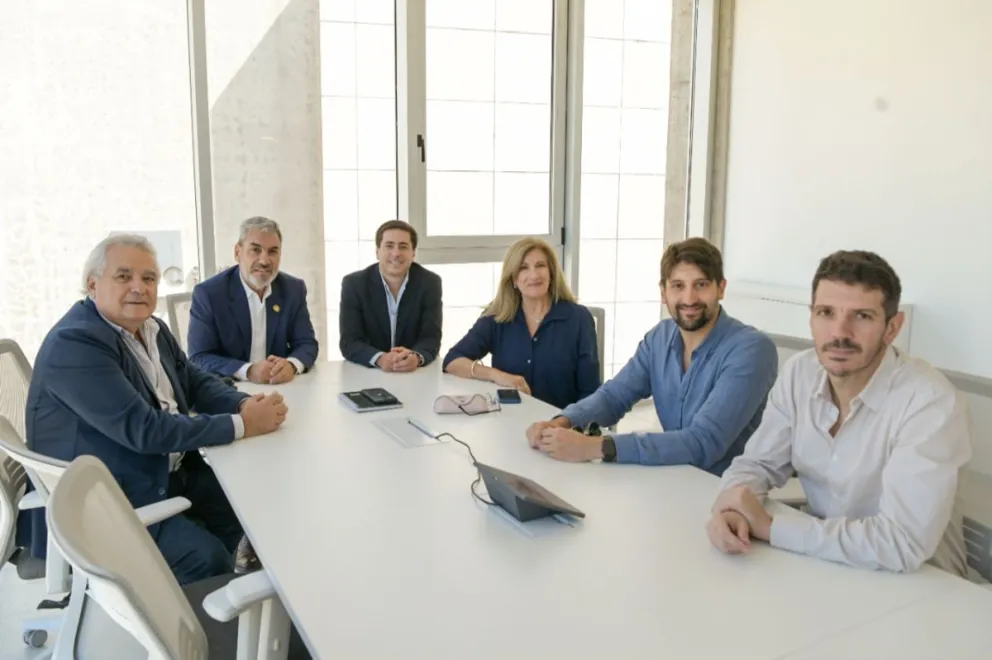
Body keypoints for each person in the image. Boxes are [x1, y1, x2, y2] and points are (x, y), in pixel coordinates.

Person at [23, 234, 288, 585]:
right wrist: (243, 424)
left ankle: (227, 589)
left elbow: (193, 381)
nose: (139, 287)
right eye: (124, 276)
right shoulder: (76, 343)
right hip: (109, 497)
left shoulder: (151, 327)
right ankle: (194, 608)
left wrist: (242, 403)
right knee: (204, 558)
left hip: (163, 469)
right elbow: (146, 430)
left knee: (251, 502)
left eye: (148, 278)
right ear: (92, 284)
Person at [707, 250, 971, 576]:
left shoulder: (930, 402)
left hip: (926, 583)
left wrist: (772, 527)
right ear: (811, 317)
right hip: (833, 567)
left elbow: (902, 542)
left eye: (862, 316)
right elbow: (757, 465)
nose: (840, 333)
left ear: (892, 328)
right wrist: (731, 509)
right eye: (826, 313)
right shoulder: (800, 374)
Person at [525, 237, 777, 473]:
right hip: (671, 477)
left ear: (721, 289)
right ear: (663, 292)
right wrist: (561, 422)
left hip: (725, 490)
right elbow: (614, 397)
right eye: (678, 286)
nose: (689, 298)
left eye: (701, 285)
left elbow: (704, 442)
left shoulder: (751, 350)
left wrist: (596, 447)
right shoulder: (660, 337)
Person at [443, 237, 600, 409]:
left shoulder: (578, 318)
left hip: (561, 421)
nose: (534, 275)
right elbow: (452, 361)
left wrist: (570, 423)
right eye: (523, 268)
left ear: (552, 273)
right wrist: (498, 376)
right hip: (510, 419)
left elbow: (590, 391)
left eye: (540, 265)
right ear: (513, 279)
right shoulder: (497, 317)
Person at [187, 216, 319, 383]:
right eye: (255, 250)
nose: (264, 261)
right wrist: (248, 371)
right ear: (238, 252)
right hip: (230, 388)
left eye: (273, 251)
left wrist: (291, 365)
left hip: (279, 387)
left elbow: (307, 343)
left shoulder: (293, 289)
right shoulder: (209, 294)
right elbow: (199, 357)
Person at [339, 220, 442, 371]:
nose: (396, 253)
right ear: (377, 251)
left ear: (413, 253)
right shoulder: (354, 284)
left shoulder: (430, 283)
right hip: (368, 372)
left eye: (403, 246)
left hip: (413, 373)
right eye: (389, 246)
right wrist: (380, 358)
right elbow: (350, 341)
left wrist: (416, 357)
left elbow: (431, 337)